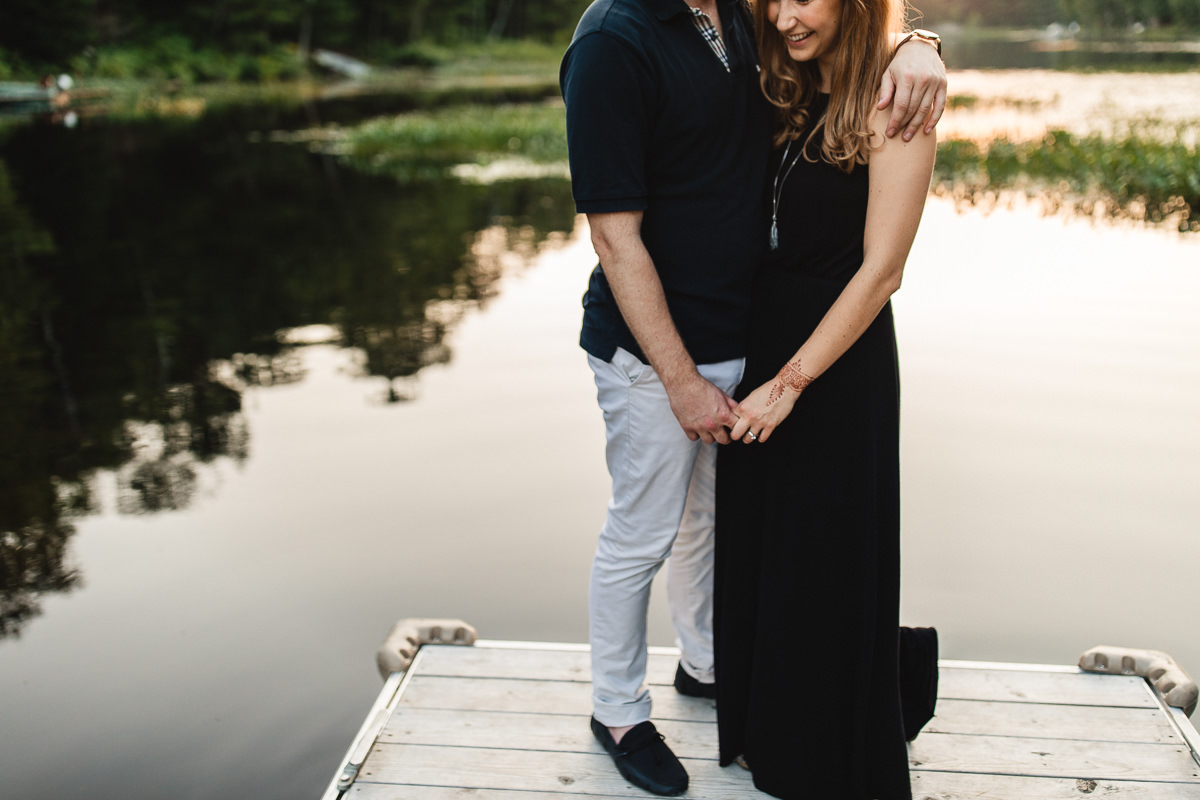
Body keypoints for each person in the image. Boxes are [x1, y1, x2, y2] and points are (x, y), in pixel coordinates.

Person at [559, 0, 945, 795]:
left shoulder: (740, 20)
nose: (784, 12)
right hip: (658, 350)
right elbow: (611, 235)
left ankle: (707, 666)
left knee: (718, 527)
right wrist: (680, 379)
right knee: (643, 532)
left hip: (762, 348)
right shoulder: (613, 39)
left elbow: (881, 260)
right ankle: (618, 711)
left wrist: (919, 42)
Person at [713, 0, 938, 797]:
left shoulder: (894, 102)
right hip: (767, 342)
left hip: (838, 365)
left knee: (827, 556)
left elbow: (882, 270)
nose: (780, 16)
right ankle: (765, 726)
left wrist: (791, 382)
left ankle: (824, 750)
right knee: (770, 550)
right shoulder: (785, 83)